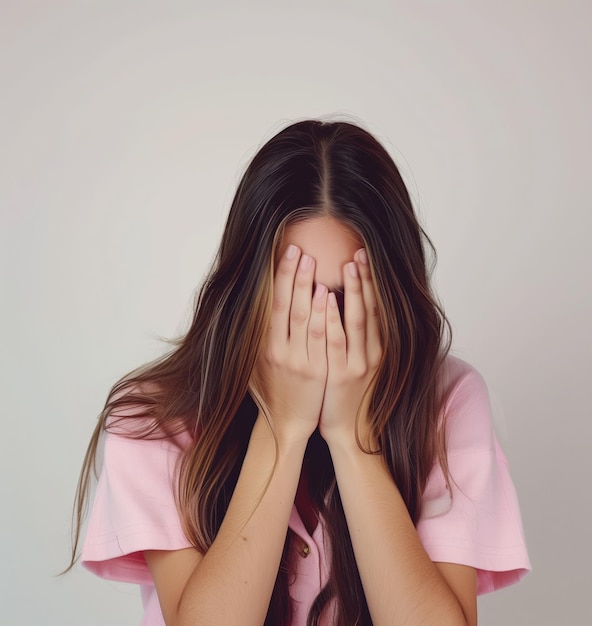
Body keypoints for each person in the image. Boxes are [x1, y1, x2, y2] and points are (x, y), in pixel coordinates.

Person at [68, 119, 530, 625]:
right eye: (294, 298)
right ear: (248, 294)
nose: (320, 329)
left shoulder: (448, 400)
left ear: (389, 300)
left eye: (344, 298)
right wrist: (281, 429)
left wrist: (355, 441)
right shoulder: (153, 417)